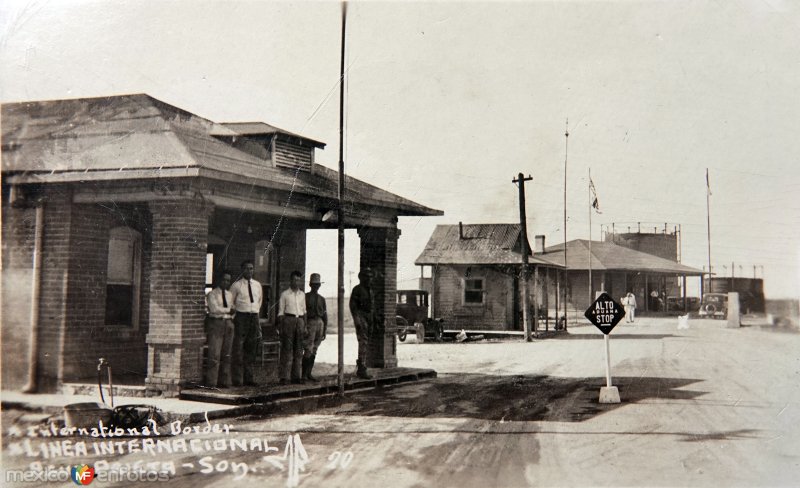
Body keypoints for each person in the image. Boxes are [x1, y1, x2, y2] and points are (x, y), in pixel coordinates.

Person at [230, 260, 262, 387]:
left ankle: (249, 378)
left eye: (251, 268)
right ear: (242, 270)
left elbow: (259, 301)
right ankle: (237, 379)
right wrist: (235, 318)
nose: (249, 271)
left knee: (251, 348)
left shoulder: (257, 285)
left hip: (253, 317)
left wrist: (255, 314)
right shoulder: (236, 286)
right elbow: (231, 302)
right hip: (241, 318)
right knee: (238, 348)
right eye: (247, 268)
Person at [204, 272, 235, 388]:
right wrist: (228, 311)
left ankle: (224, 381)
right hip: (217, 323)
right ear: (219, 280)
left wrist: (231, 315)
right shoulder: (212, 294)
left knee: (227, 354)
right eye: (224, 280)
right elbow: (214, 308)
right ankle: (212, 382)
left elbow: (233, 308)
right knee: (215, 353)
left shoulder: (229, 295)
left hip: (229, 323)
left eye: (228, 281)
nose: (226, 283)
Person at [278, 270, 306, 385]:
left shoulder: (302, 295)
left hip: (300, 320)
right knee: (287, 350)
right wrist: (281, 327)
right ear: (290, 280)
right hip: (288, 320)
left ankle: (296, 377)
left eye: (299, 280)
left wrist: (305, 326)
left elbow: (304, 311)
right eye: (295, 279)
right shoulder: (285, 294)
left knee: (299, 350)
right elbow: (280, 312)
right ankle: (284, 377)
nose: (297, 282)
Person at [349, 268, 374, 379]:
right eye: (366, 276)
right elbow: (353, 307)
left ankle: (362, 366)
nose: (369, 279)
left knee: (366, 342)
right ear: (361, 278)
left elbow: (372, 306)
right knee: (363, 342)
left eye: (370, 277)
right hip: (361, 316)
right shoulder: (357, 290)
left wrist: (373, 319)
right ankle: (362, 368)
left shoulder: (370, 290)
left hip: (369, 317)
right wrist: (357, 320)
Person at [303, 273, 327, 382]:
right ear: (310, 284)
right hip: (310, 322)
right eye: (314, 284)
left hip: (320, 323)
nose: (316, 286)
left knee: (315, 349)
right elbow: (303, 313)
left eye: (317, 284)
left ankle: (309, 373)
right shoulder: (305, 297)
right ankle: (303, 374)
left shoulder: (322, 299)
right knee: (308, 348)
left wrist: (325, 329)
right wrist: (305, 326)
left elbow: (325, 314)